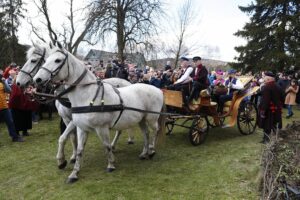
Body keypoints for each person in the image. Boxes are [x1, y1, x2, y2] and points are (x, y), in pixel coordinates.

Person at [258, 71, 284, 144]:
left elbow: (265, 100)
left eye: (265, 79)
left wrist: (263, 110)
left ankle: (266, 139)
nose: (264, 80)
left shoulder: (267, 87)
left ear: (269, 79)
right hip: (277, 109)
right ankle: (276, 138)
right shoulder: (278, 86)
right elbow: (282, 97)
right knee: (275, 123)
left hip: (269, 109)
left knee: (267, 125)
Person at [0, 72, 24, 142]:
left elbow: (9, 91)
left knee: (10, 122)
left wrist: (4, 82)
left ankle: (15, 137)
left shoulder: (2, 84)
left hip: (4, 107)